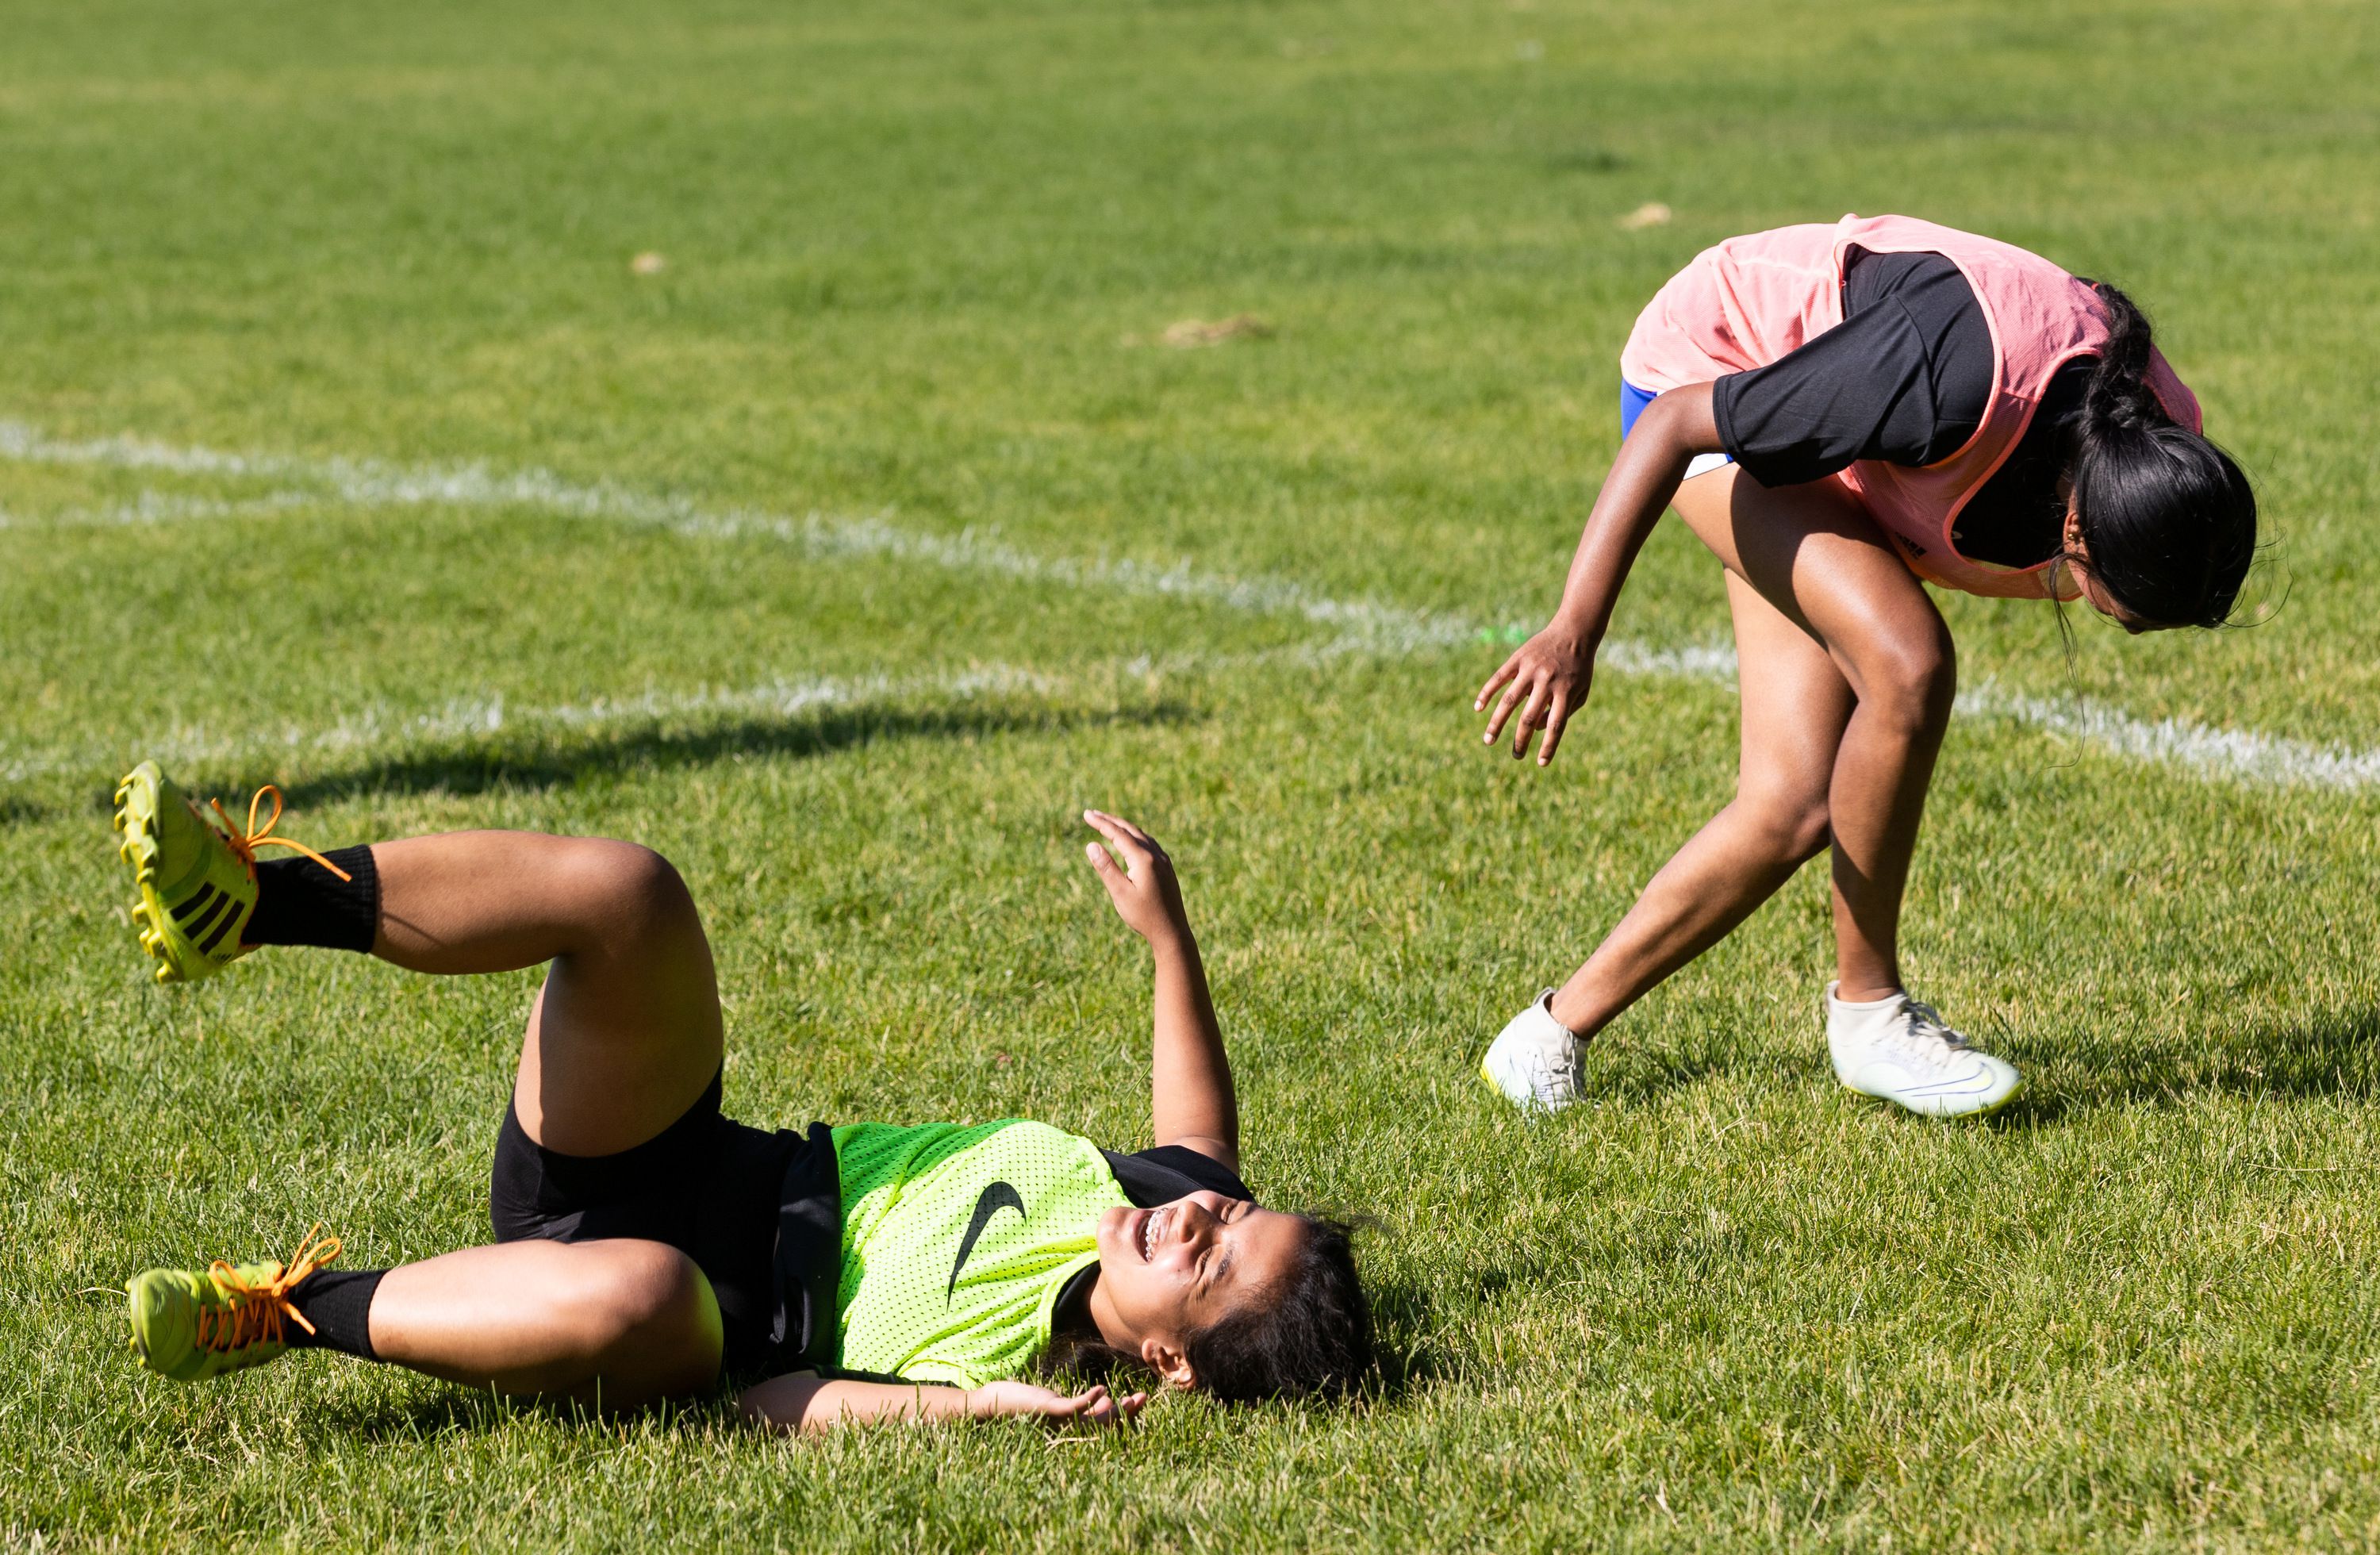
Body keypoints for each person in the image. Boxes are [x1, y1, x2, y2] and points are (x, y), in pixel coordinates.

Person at [109, 764, 1371, 1429]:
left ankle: (282, 1312)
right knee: (632, 895)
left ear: (1171, 1363)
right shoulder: (1154, 1194)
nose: (1200, 1220)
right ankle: (253, 900)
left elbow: (771, 1409)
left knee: (646, 1291)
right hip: (676, 1160)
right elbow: (1201, 1134)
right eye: (1229, 1214)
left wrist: (981, 1412)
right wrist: (1168, 941)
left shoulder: (1024, 1364)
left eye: (1213, 1261)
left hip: (685, 1318)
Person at [1473, 213, 2256, 1119]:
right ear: (2076, 528)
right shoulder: (1946, 379)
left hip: (1851, 440)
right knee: (1910, 662)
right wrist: (1576, 626)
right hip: (1709, 370)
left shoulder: (2160, 449)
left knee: (1794, 800)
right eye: (2120, 608)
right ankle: (1870, 1011)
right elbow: (1682, 422)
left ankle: (1544, 1040)